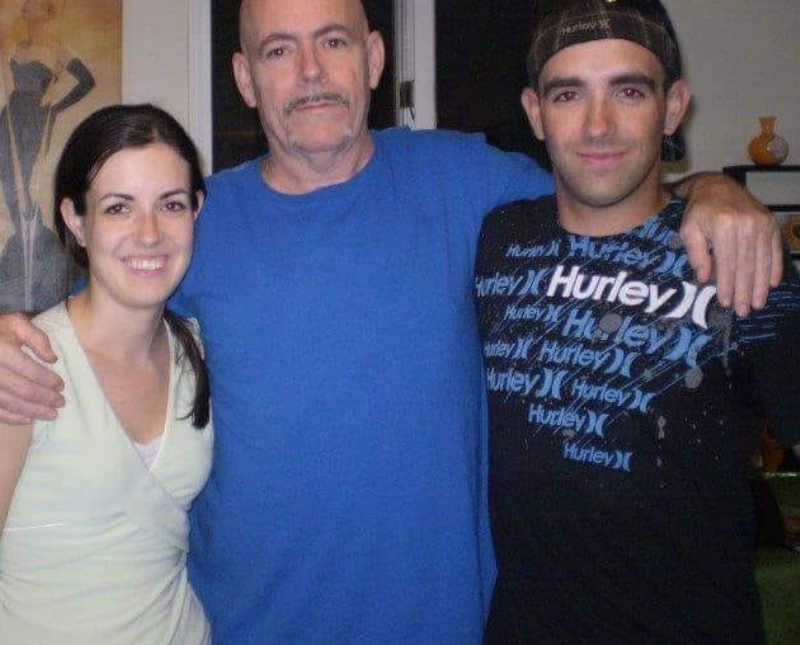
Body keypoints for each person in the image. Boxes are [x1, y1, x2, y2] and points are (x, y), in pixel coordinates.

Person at [0, 0, 786, 642]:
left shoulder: (470, 182)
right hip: (246, 629)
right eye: (278, 51)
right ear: (243, 76)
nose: (310, 73)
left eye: (333, 41)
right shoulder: (196, 225)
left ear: (374, 58)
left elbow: (605, 180)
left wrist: (715, 189)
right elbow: (98, 302)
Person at [473, 1, 800, 642]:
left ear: (673, 107)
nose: (599, 125)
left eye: (628, 90)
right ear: (536, 114)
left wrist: (714, 189)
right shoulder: (495, 241)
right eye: (569, 95)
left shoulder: (744, 260)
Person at [0, 104, 213, 643]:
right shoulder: (24, 366)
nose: (149, 234)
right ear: (76, 219)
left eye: (171, 204)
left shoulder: (198, 355)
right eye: (119, 208)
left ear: (196, 211)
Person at [0, 0, 95, 312]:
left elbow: (86, 81)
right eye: (26, 6)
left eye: (34, 5)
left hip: (35, 119)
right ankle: (23, 263)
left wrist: (56, 106)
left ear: (48, 12)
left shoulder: (56, 49)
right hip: (9, 119)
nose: (27, 9)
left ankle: (42, 256)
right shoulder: (15, 46)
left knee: (26, 190)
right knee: (11, 188)